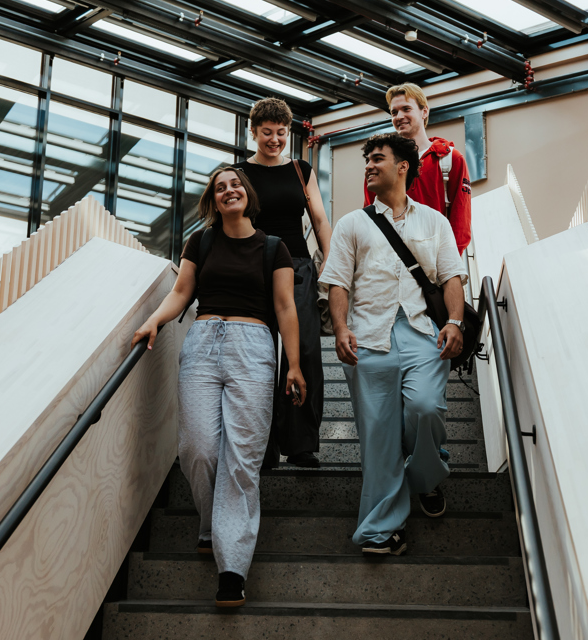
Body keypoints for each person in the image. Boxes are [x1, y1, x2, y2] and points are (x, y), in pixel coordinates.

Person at [132, 167, 306, 608]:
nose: (229, 190)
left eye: (235, 184)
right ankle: (211, 524)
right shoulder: (201, 241)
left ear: (247, 194)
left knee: (241, 458)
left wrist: (295, 365)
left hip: (253, 347)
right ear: (214, 199)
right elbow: (181, 292)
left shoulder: (274, 248)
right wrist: (155, 318)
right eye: (220, 187)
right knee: (199, 448)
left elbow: (286, 307)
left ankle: (232, 569)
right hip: (203, 343)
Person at [322, 133, 466, 556]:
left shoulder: (434, 222)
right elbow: (336, 282)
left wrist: (455, 321)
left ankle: (425, 477)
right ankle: (381, 530)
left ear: (403, 166)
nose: (368, 165)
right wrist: (340, 328)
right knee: (378, 436)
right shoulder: (351, 223)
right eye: (366, 160)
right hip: (369, 337)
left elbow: (451, 276)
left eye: (377, 159)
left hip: (422, 334)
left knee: (425, 408)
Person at [235, 97, 332, 470]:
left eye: (280, 133)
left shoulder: (299, 169)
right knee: (259, 356)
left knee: (304, 351)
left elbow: (320, 220)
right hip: (254, 269)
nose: (274, 139)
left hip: (298, 268)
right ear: (254, 132)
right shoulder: (239, 173)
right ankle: (262, 447)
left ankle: (301, 444)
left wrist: (330, 262)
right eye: (267, 133)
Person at [364, 83, 473, 256]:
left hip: (435, 262)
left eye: (406, 109)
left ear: (424, 112)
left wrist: (448, 267)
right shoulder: (380, 163)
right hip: (388, 265)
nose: (399, 116)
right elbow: (369, 218)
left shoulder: (450, 159)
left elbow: (460, 222)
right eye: (394, 112)